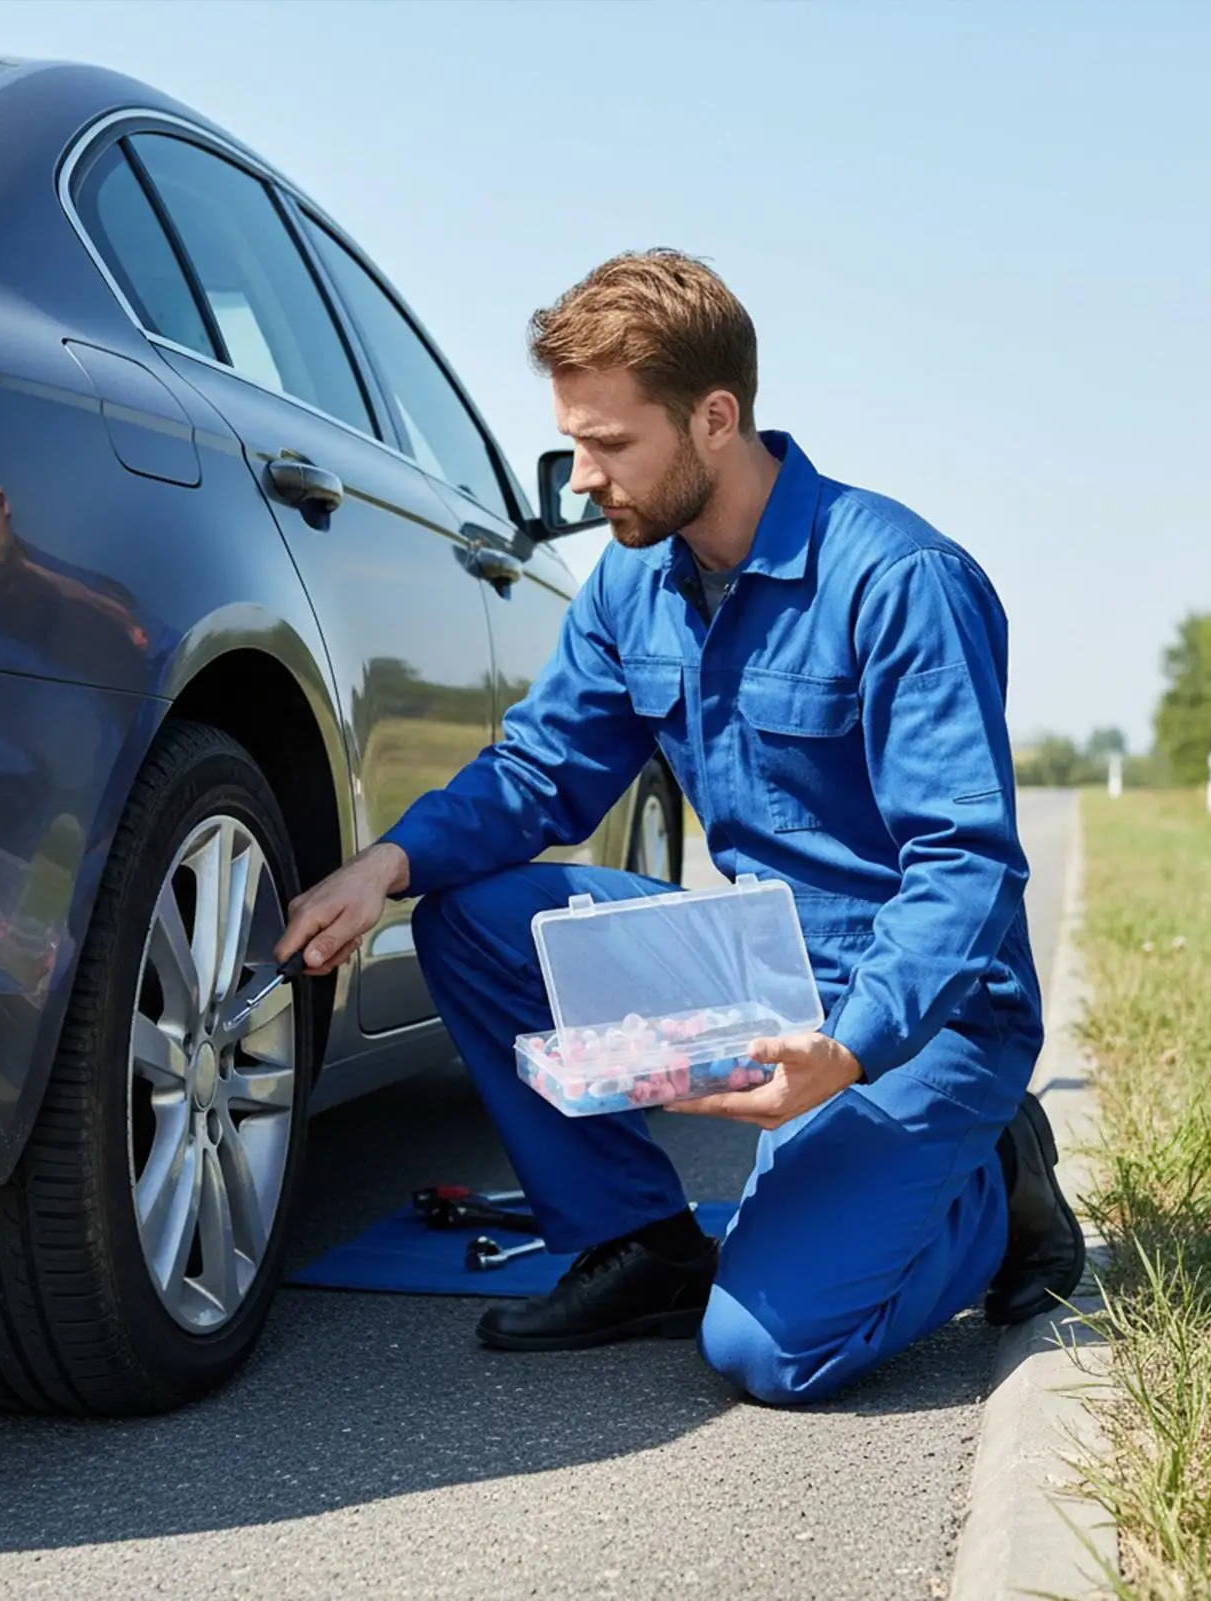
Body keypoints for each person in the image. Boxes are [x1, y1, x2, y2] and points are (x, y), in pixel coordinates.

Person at [274, 250, 1084, 1404]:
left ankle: (993, 1190)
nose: (581, 477)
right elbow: (540, 771)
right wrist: (384, 864)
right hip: (756, 962)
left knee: (768, 1350)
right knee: (475, 916)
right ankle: (640, 1245)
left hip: (924, 1014)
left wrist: (847, 1048)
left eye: (609, 445)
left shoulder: (898, 579)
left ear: (715, 417)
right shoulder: (629, 585)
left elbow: (964, 863)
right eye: (572, 442)